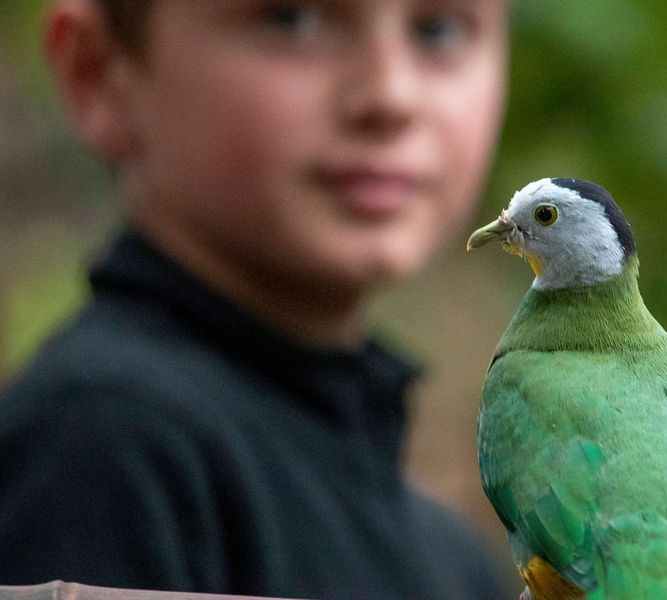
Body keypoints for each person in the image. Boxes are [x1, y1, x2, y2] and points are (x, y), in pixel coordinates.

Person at [0, 0, 509, 598]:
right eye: (292, 19)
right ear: (99, 71)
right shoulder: (102, 445)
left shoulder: (457, 559)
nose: (390, 95)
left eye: (438, 31)